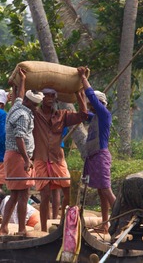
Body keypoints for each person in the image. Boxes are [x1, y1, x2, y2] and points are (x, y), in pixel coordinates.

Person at [32, 86, 88, 232]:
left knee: (69, 191)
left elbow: (83, 115)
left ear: (55, 98)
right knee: (44, 195)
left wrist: (78, 93)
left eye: (52, 95)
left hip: (57, 159)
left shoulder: (62, 115)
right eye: (46, 95)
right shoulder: (35, 115)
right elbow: (20, 105)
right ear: (41, 98)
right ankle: (44, 229)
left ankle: (63, 222)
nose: (49, 98)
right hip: (40, 159)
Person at [0, 70, 44, 236]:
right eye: (36, 105)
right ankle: (21, 229)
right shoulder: (24, 115)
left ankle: (4, 227)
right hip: (18, 157)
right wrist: (26, 159)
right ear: (32, 104)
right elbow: (19, 137)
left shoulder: (18, 105)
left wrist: (22, 80)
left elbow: (20, 95)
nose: (37, 108)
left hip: (13, 156)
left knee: (16, 195)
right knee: (23, 195)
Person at [78, 66, 116, 233]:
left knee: (106, 189)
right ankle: (105, 224)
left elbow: (91, 98)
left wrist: (83, 78)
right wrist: (77, 92)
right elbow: (84, 112)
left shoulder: (104, 114)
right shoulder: (95, 117)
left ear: (100, 104)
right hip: (94, 157)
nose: (91, 105)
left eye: (93, 103)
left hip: (101, 156)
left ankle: (122, 218)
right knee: (101, 191)